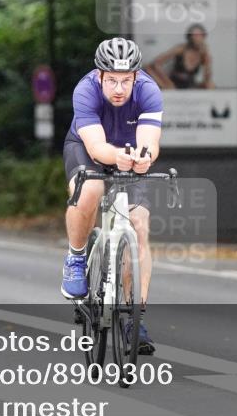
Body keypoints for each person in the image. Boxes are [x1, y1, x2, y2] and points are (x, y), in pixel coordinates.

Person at [61, 37, 162, 354]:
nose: (119, 89)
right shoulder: (85, 90)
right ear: (100, 75)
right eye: (112, 81)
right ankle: (76, 256)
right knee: (90, 188)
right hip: (87, 149)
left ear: (136, 77)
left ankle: (134, 317)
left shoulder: (149, 90)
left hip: (129, 152)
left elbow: (150, 142)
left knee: (139, 224)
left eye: (126, 81)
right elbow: (96, 148)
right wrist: (116, 157)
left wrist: (145, 158)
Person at [147, 23, 216, 90]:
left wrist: (208, 61)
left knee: (211, 85)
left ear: (204, 37)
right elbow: (156, 63)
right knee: (149, 68)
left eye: (199, 35)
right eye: (194, 35)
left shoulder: (203, 53)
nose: (197, 38)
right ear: (190, 37)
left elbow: (207, 79)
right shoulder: (181, 49)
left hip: (189, 83)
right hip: (174, 82)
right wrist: (167, 81)